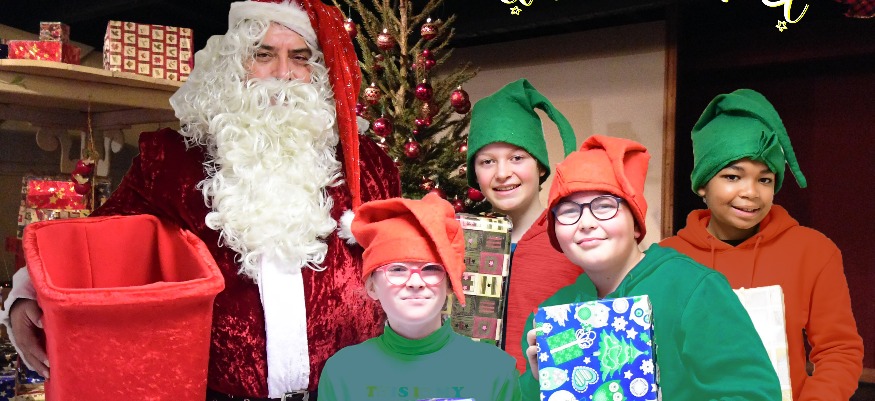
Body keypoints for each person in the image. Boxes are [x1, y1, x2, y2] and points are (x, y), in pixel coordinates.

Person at [2, 0, 400, 399]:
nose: (283, 73)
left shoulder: (368, 167)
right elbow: (95, 244)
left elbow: (404, 267)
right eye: (263, 55)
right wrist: (27, 296)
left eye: (300, 58)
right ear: (235, 65)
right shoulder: (175, 162)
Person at [520, 135, 782, 400]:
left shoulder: (692, 289)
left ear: (636, 224)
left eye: (605, 206)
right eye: (568, 211)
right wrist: (539, 380)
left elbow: (753, 394)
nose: (586, 223)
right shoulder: (555, 315)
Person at [660, 89, 863, 400]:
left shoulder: (813, 251)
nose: (751, 192)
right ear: (702, 184)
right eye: (732, 177)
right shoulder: (666, 259)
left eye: (765, 179)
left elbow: (839, 351)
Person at [317, 193, 521, 401]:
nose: (415, 282)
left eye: (430, 268)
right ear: (372, 286)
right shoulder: (342, 373)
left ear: (449, 283)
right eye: (397, 269)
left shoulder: (496, 370)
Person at [466, 78, 583, 372]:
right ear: (475, 174)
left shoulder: (572, 240)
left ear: (540, 166)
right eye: (487, 162)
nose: (502, 173)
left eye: (517, 158)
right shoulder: (464, 241)